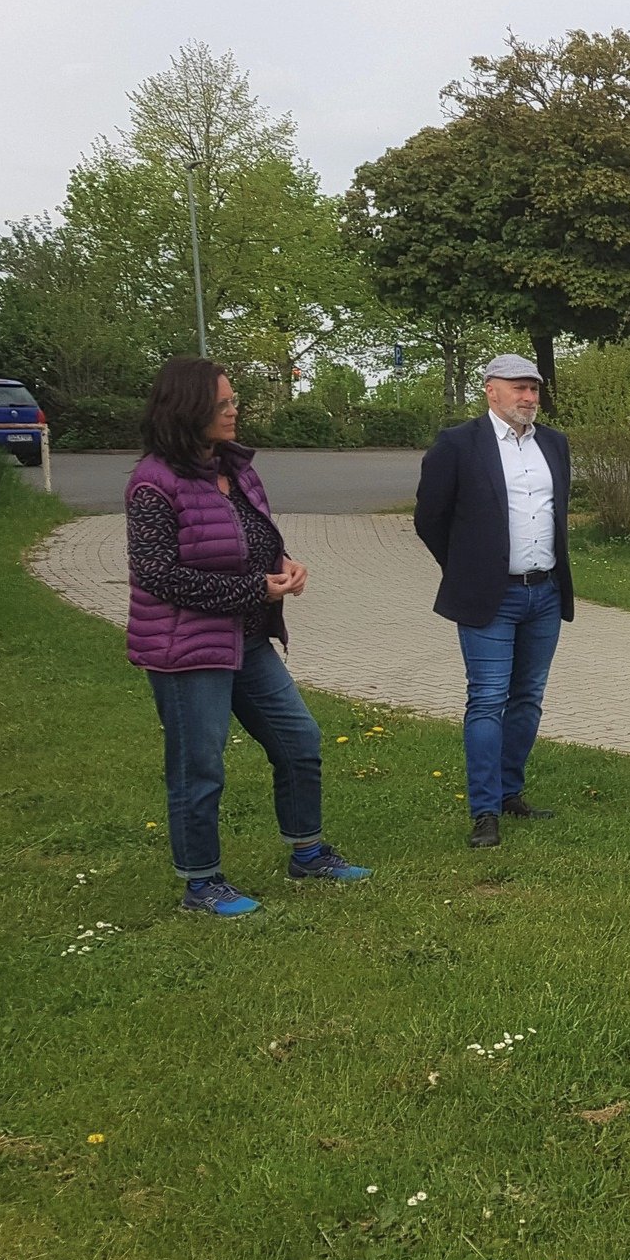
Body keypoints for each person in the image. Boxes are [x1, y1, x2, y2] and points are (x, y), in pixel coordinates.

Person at [125, 357, 370, 915]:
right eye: (223, 403)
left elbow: (253, 539)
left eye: (233, 400)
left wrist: (286, 564)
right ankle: (201, 883)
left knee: (300, 740)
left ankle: (307, 854)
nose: (235, 411)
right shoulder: (153, 483)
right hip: (186, 648)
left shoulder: (236, 469)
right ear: (189, 409)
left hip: (248, 639)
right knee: (200, 765)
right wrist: (254, 590)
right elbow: (158, 575)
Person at [414, 354, 573, 849]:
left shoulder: (554, 444)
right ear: (491, 390)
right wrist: (466, 567)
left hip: (544, 593)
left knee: (527, 699)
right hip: (490, 597)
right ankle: (484, 812)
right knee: (486, 700)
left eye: (534, 389)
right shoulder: (458, 444)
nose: (529, 398)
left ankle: (510, 792)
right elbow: (429, 518)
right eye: (519, 388)